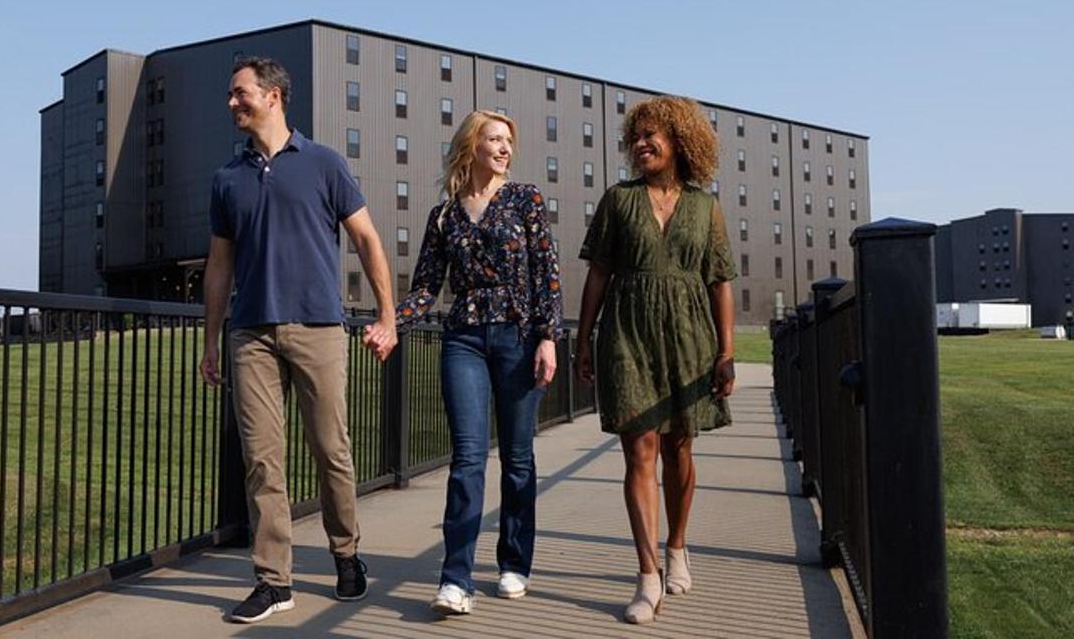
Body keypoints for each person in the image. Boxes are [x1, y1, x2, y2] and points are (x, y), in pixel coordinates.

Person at [199, 57, 399, 623]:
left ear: (273, 95)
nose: (232, 103)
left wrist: (387, 315)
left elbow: (366, 238)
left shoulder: (323, 163)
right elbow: (219, 266)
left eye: (240, 93)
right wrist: (211, 341)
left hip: (317, 327)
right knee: (262, 460)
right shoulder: (226, 178)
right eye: (231, 94)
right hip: (250, 334)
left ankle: (347, 555)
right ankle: (273, 580)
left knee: (331, 450)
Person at [575, 95, 737, 624]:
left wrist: (727, 351)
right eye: (636, 136)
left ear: (680, 141)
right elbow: (598, 272)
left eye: (652, 135)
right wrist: (583, 340)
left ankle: (677, 547)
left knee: (679, 450)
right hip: (628, 333)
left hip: (690, 337)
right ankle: (647, 576)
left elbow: (719, 282)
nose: (641, 144)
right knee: (639, 452)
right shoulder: (618, 200)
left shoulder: (705, 206)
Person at [394, 110, 562, 616]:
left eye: (509, 140)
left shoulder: (525, 199)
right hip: (463, 339)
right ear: (472, 145)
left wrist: (548, 338)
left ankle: (514, 562)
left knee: (517, 460)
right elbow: (425, 287)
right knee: (467, 459)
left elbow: (546, 275)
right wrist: (390, 322)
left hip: (517, 336)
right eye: (495, 139)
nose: (505, 148)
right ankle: (456, 578)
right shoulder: (444, 215)